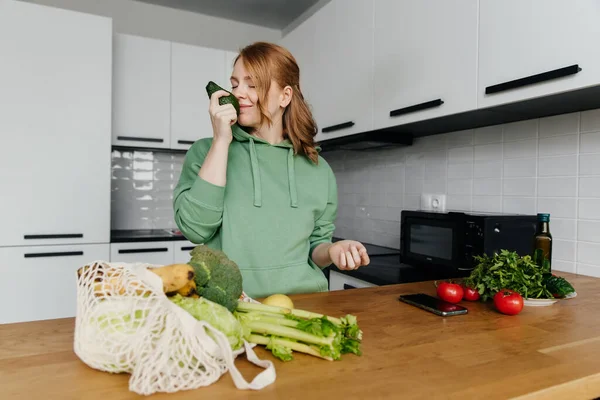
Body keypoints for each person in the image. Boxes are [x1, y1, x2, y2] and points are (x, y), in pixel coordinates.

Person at [173, 42, 370, 299]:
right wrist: (221, 141)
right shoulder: (207, 152)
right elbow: (194, 229)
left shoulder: (318, 168)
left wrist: (332, 250)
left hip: (304, 303)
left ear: (285, 96)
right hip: (230, 306)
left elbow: (316, 247)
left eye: (252, 85)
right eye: (235, 84)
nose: (239, 93)